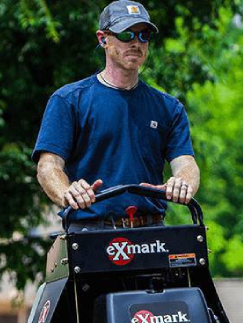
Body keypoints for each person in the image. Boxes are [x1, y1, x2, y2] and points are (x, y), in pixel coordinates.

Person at [33, 1, 201, 228]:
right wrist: (67, 192)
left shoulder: (168, 108)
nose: (136, 42)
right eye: (126, 34)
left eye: (144, 36)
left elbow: (186, 165)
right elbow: (48, 166)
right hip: (89, 232)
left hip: (151, 234)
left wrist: (183, 183)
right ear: (103, 39)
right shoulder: (69, 100)